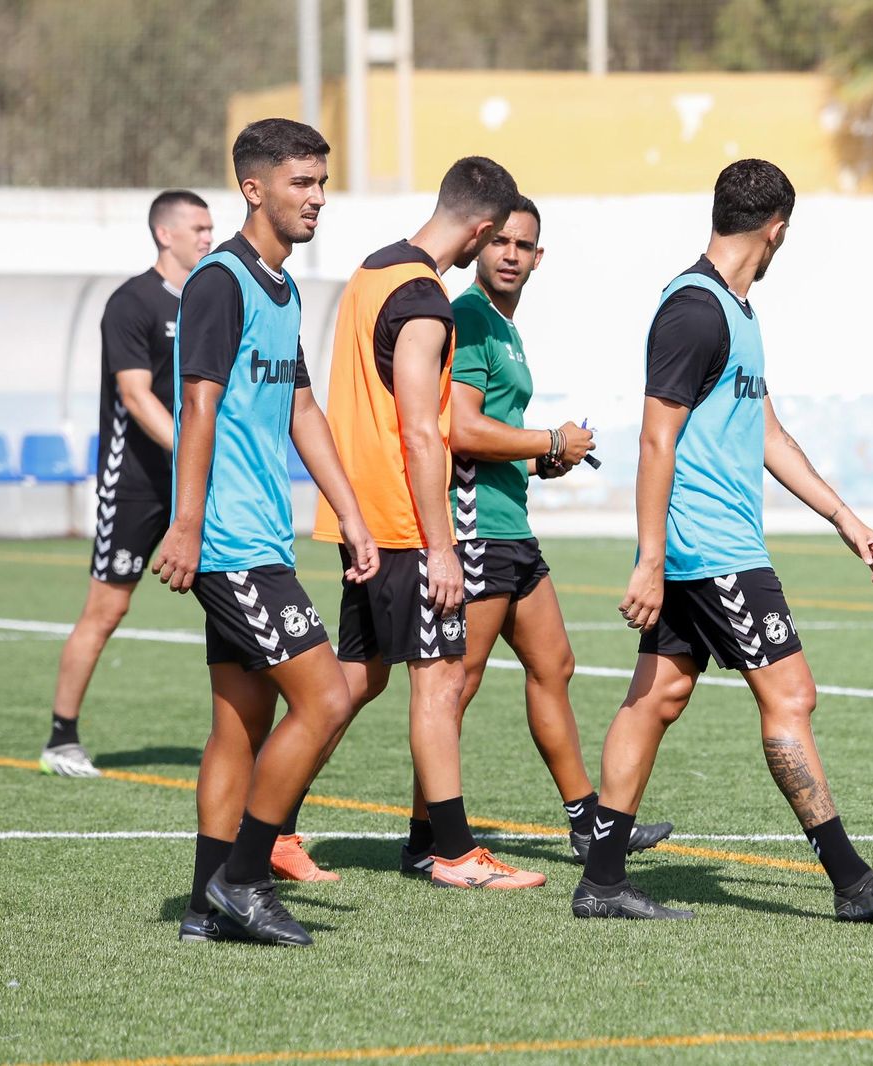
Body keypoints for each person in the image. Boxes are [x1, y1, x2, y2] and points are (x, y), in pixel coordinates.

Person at [571, 159, 873, 922]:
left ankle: (602, 882)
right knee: (791, 695)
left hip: (706, 548)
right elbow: (654, 439)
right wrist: (650, 560)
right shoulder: (694, 311)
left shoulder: (736, 311)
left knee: (656, 698)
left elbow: (768, 434)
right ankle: (852, 882)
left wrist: (844, 518)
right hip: (713, 550)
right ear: (777, 230)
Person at [152, 118, 379, 947]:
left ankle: (204, 908)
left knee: (240, 723)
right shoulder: (221, 282)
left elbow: (302, 408)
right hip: (229, 542)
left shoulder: (282, 288)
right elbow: (198, 406)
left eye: (321, 183)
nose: (316, 198)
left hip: (260, 537)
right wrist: (186, 526)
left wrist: (350, 513)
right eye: (301, 183)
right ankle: (245, 878)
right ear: (254, 189)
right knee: (327, 697)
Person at [313, 157, 544, 890]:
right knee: (441, 684)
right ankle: (453, 852)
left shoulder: (370, 271)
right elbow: (421, 432)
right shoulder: (425, 298)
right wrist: (442, 550)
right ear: (481, 231)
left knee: (354, 681)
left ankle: (268, 827)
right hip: (404, 523)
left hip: (362, 518)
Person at [446, 196, 672, 863]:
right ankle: (430, 837)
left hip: (510, 524)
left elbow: (491, 436)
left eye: (524, 245)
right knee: (455, 685)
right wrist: (549, 439)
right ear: (480, 244)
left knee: (555, 665)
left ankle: (587, 822)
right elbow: (460, 429)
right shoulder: (470, 316)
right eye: (501, 242)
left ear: (538, 257)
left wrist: (541, 459)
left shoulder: (505, 326)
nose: (511, 255)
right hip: (476, 528)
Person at [40, 190, 213, 777]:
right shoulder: (131, 302)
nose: (208, 237)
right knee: (107, 608)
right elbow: (137, 398)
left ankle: (247, 736)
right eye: (198, 228)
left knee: (232, 594)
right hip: (135, 482)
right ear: (165, 234)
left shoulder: (207, 299)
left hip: (193, 477)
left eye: (210, 228)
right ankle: (61, 740)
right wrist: (195, 454)